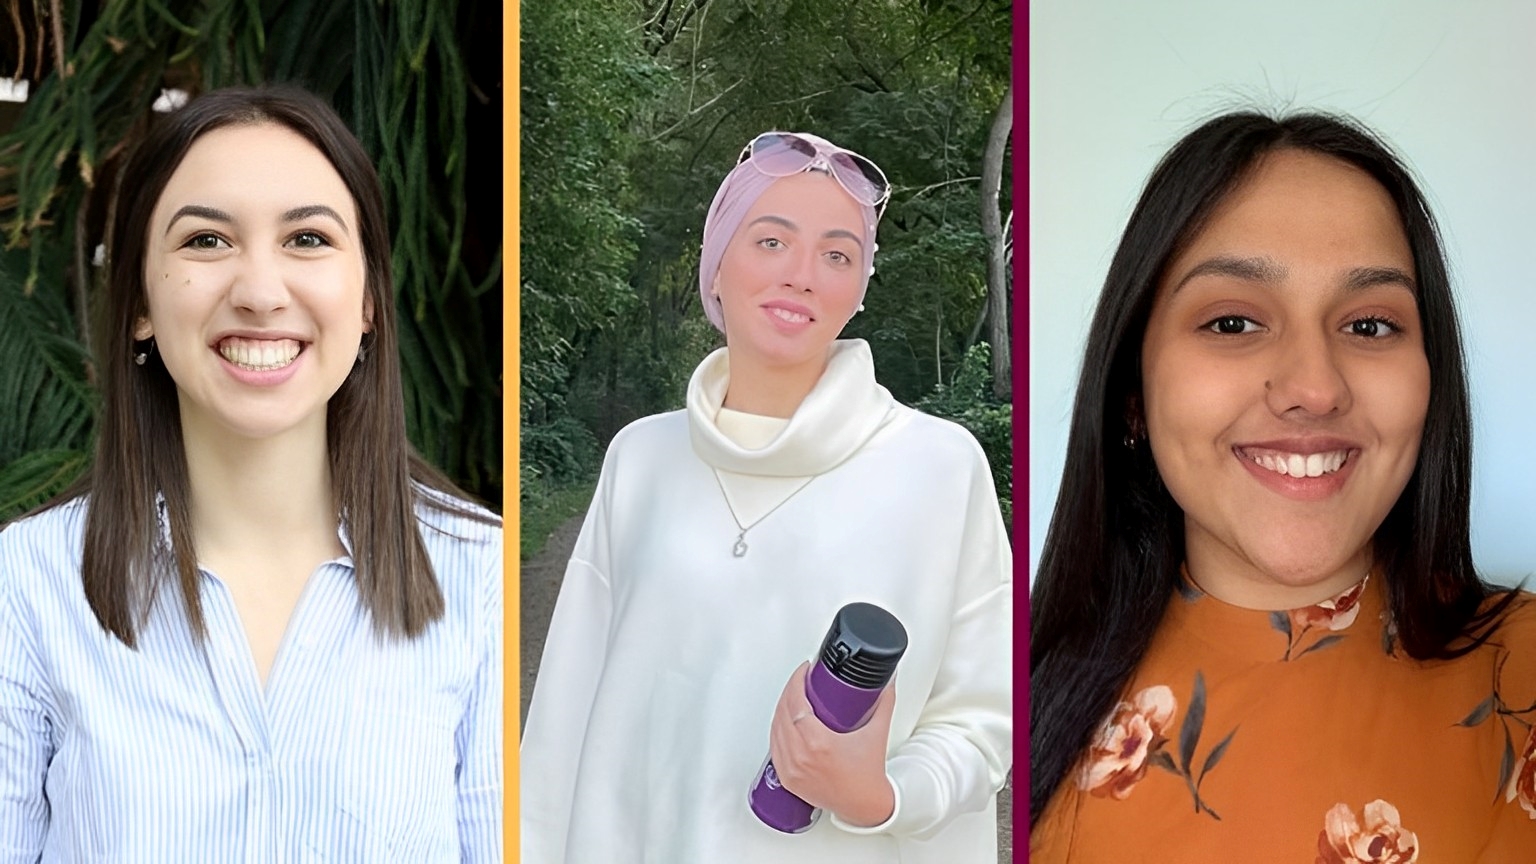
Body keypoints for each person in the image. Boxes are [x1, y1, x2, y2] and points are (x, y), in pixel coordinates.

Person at [0, 86, 502, 862]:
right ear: (138, 298)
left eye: (307, 239)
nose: (261, 293)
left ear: (367, 297)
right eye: (205, 242)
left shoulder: (483, 577)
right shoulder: (27, 587)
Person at [1029, 111, 1536, 861]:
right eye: (1233, 322)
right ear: (1133, 394)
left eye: (1369, 326)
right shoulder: (1015, 685)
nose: (1314, 387)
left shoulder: (1521, 677)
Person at [520, 131, 1013, 863]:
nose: (803, 275)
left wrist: (880, 795)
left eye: (838, 254)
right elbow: (563, 715)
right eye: (771, 241)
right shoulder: (642, 458)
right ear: (716, 267)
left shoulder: (940, 466)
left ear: (858, 289)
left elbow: (983, 716)